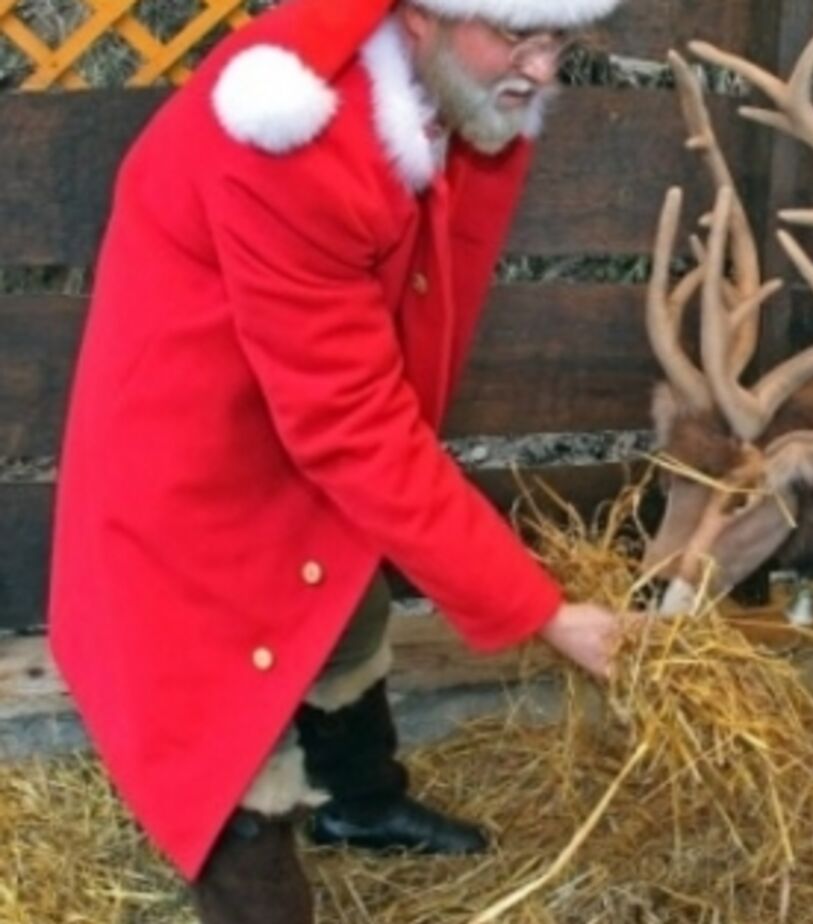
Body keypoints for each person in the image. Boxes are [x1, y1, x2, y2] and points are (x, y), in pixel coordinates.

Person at [46, 0, 633, 919]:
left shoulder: (456, 97)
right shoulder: (291, 142)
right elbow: (349, 421)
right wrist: (543, 610)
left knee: (344, 594)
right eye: (517, 37)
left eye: (558, 41)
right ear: (418, 21)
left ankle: (360, 802)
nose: (543, 69)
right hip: (194, 438)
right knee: (225, 713)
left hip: (299, 394)